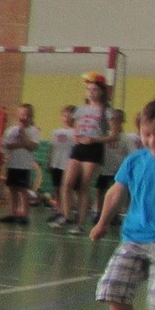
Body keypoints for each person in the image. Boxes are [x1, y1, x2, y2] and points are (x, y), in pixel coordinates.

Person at [91, 97, 155, 310]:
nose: (153, 141)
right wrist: (102, 222)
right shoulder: (134, 161)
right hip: (133, 239)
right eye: (147, 134)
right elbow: (115, 193)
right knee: (111, 287)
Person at [60, 72, 112, 232]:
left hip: (94, 149)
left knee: (84, 185)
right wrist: (77, 135)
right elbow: (78, 126)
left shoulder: (106, 112)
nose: (91, 92)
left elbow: (113, 135)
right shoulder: (81, 110)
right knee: (67, 183)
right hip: (79, 147)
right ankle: (67, 216)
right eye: (89, 89)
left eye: (95, 89)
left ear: (101, 92)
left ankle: (80, 223)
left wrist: (94, 140)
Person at [0, 104, 40, 223]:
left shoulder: (34, 131)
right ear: (17, 116)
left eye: (26, 115)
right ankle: (12, 212)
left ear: (31, 116)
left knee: (22, 190)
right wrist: (21, 144)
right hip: (12, 164)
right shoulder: (11, 130)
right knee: (12, 189)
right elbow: (7, 145)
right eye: (21, 115)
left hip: (24, 165)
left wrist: (23, 135)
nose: (23, 117)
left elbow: (32, 146)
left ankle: (24, 214)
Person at [43, 105, 77, 219]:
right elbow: (51, 148)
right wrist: (49, 162)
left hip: (68, 165)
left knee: (66, 189)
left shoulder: (76, 133)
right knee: (57, 188)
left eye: (69, 116)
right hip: (56, 164)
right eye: (65, 116)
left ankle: (67, 212)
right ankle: (59, 210)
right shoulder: (55, 132)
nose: (67, 118)